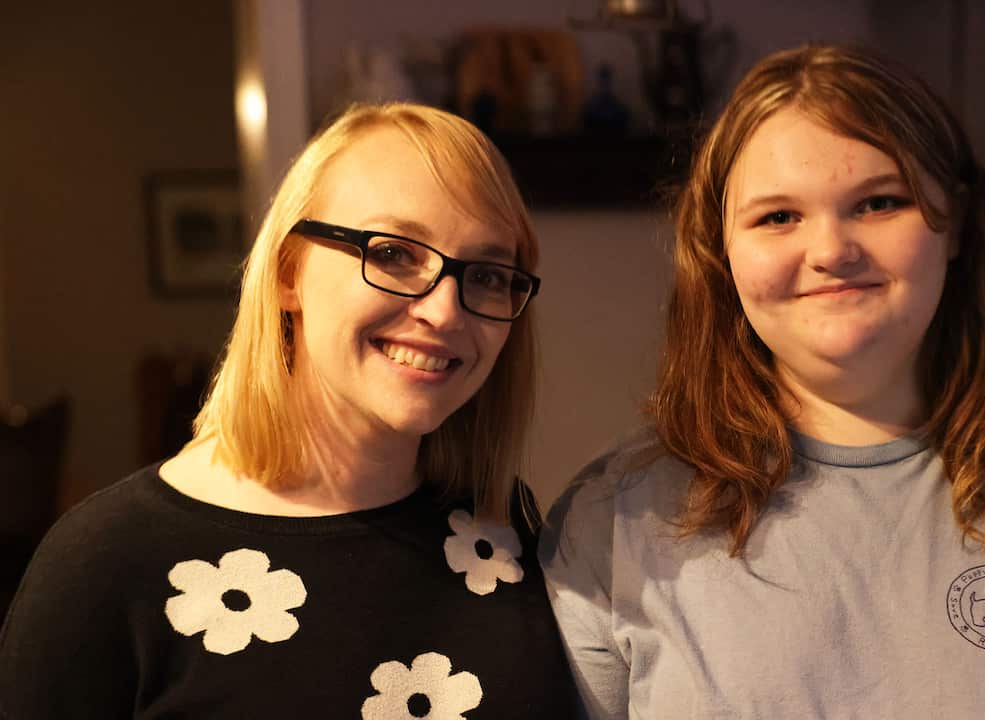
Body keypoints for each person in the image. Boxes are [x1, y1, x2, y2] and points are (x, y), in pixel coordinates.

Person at [539, 45, 985, 718]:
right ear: (720, 254)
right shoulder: (614, 523)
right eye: (778, 216)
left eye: (879, 202)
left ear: (957, 223)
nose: (829, 249)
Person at [0, 103, 575, 718]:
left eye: (487, 274)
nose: (444, 312)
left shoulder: (502, 526)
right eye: (393, 254)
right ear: (286, 272)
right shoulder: (104, 565)